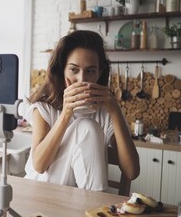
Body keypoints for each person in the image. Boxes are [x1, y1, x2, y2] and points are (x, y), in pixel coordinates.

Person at [24, 30, 140, 191]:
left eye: (90, 71)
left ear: (99, 74)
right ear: (62, 70)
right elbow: (39, 166)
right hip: (40, 194)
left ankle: (93, 207)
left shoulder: (106, 113)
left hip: (76, 202)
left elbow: (132, 172)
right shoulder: (44, 107)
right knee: (86, 126)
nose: (82, 80)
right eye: (74, 70)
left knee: (88, 126)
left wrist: (115, 110)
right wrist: (66, 113)